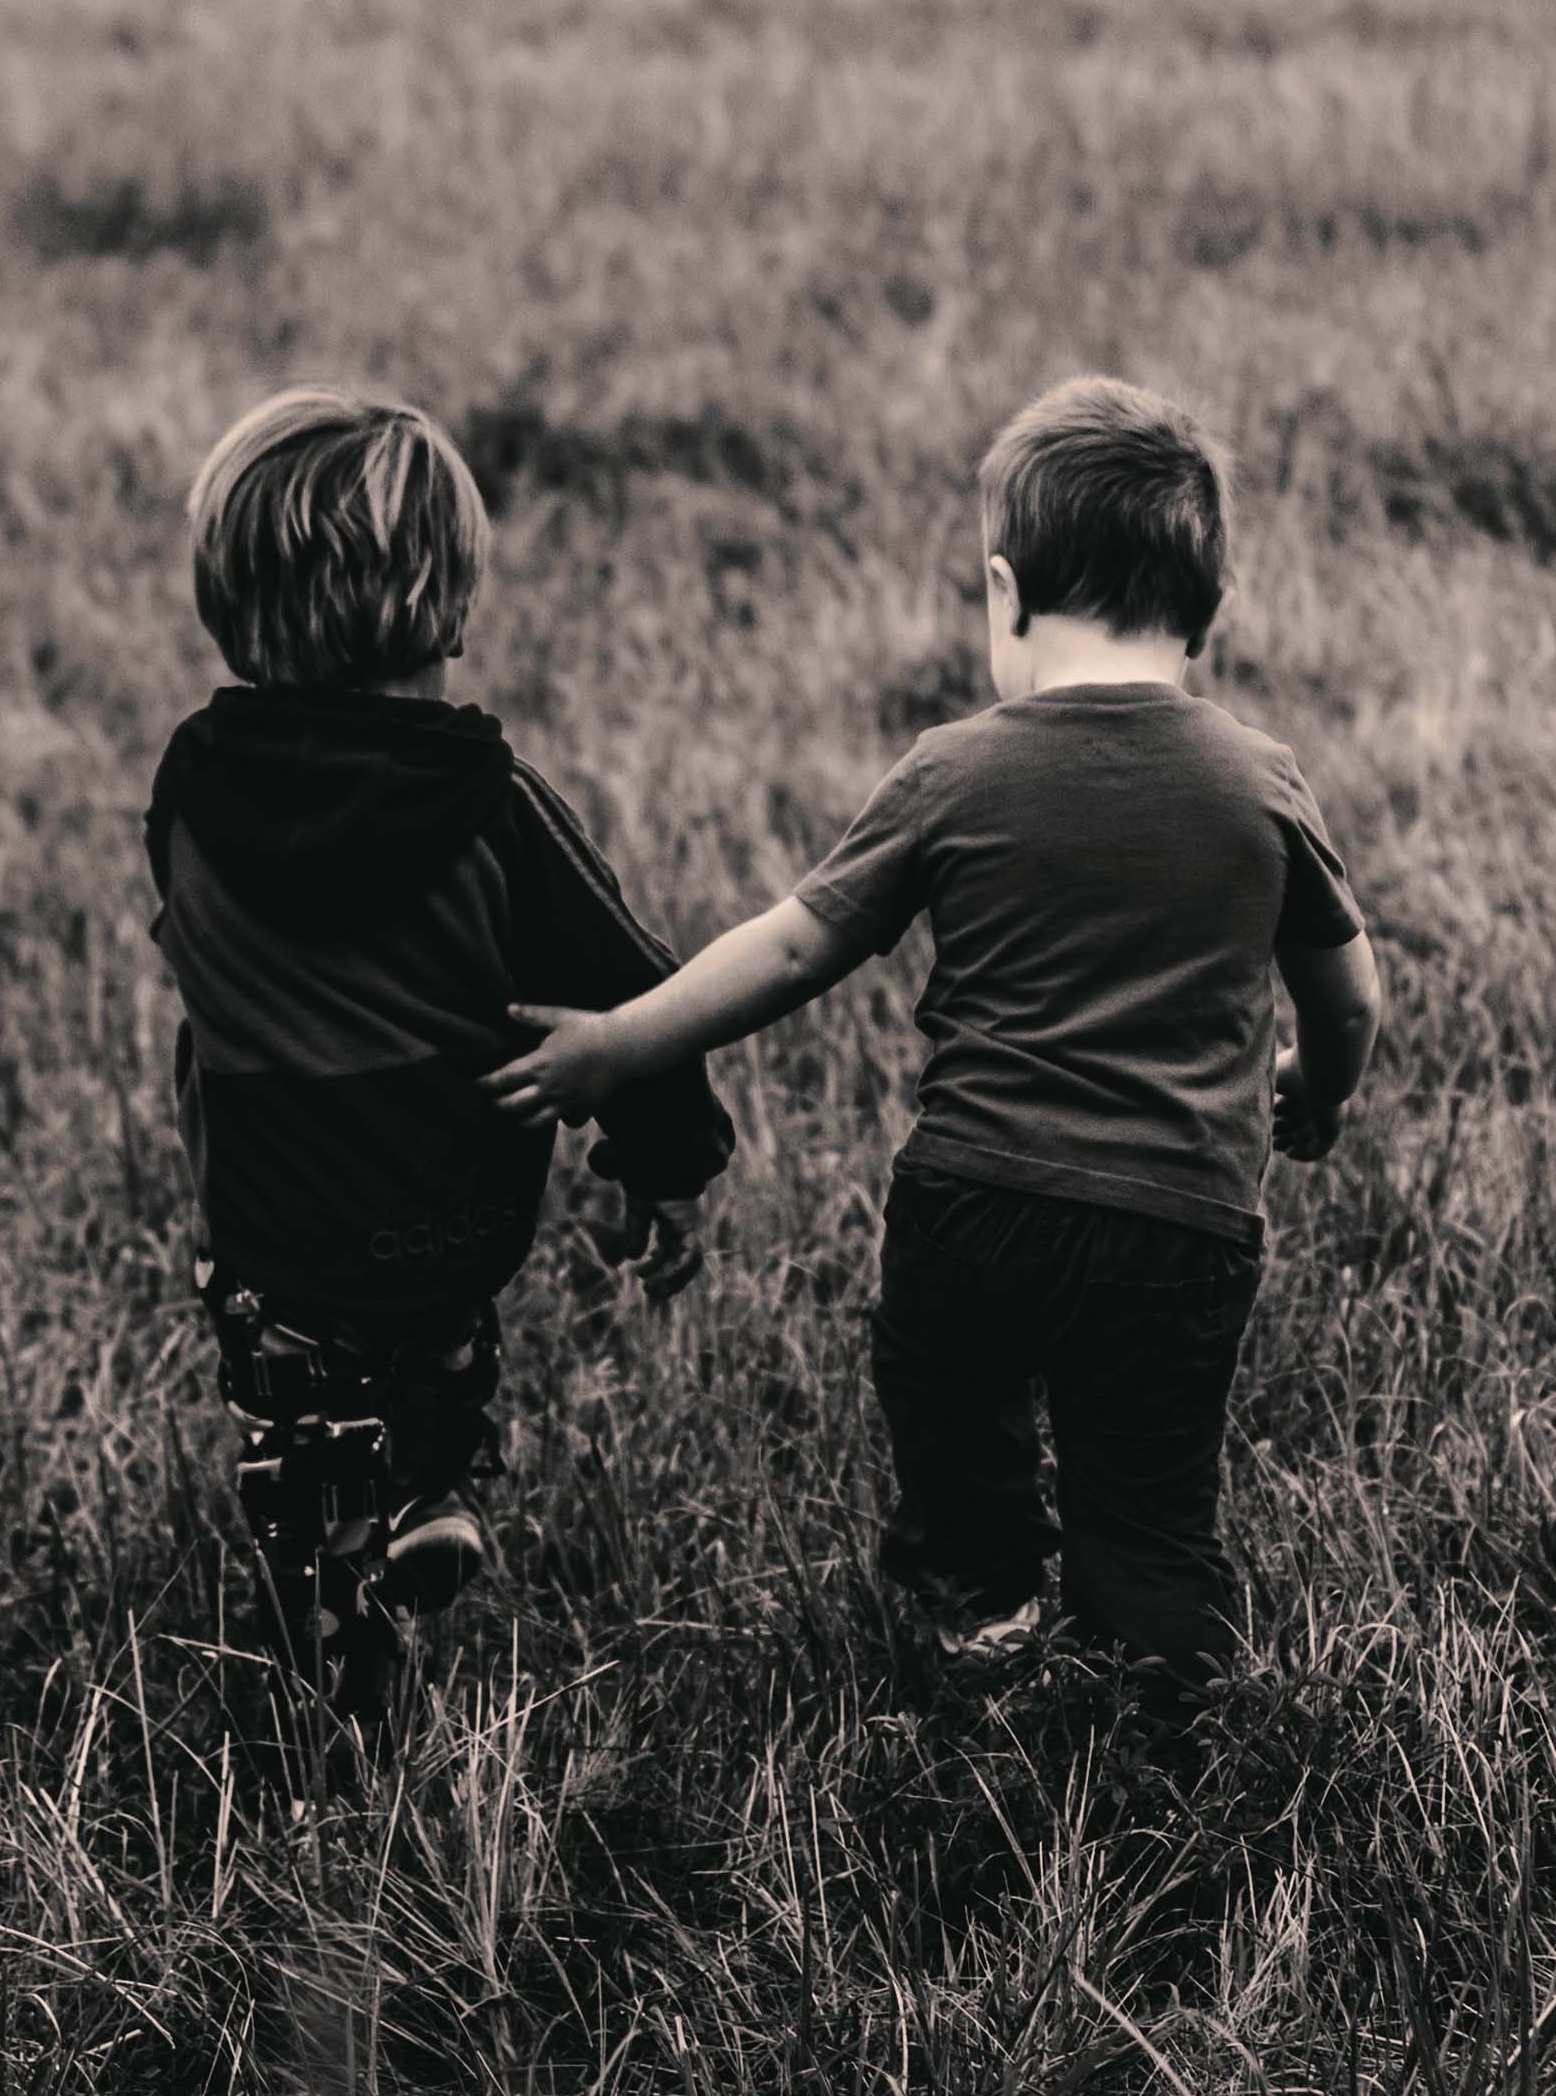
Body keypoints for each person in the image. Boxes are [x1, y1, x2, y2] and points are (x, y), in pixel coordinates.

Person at [488, 376, 1379, 1737]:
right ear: (1215, 608)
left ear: (1006, 591)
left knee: (946, 1394)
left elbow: (791, 951)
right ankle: (1168, 1691)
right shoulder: (1260, 780)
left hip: (976, 1205)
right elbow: (1348, 987)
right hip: (1181, 1227)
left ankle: (984, 1596)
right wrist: (1315, 1091)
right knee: (1149, 1492)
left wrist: (616, 1041)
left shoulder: (953, 770)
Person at [146, 385, 729, 1730]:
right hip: (452, 1215)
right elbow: (634, 992)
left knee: (301, 1455)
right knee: (436, 1357)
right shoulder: (493, 807)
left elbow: (186, 939)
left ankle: (338, 1651)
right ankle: (429, 1491)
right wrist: (668, 1166)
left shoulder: (192, 788)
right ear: (448, 606)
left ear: (227, 604)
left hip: (275, 1235)